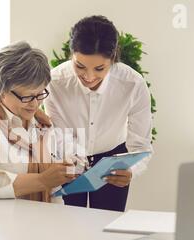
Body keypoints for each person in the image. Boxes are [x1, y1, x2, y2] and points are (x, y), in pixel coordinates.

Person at [44, 15, 153, 212]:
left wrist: (131, 170)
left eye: (100, 68)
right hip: (68, 158)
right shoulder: (55, 82)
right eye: (80, 66)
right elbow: (57, 132)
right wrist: (71, 158)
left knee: (106, 229)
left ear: (112, 60)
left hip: (113, 161)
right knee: (66, 228)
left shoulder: (133, 84)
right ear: (72, 56)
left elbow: (141, 144)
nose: (89, 76)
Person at [0, 41, 79, 203]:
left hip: (49, 219)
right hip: (3, 223)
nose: (35, 104)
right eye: (27, 97)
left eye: (40, 94)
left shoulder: (42, 123)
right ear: (1, 90)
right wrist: (42, 180)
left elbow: (55, 186)